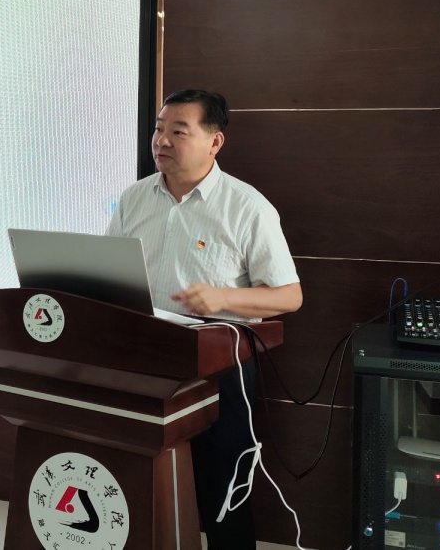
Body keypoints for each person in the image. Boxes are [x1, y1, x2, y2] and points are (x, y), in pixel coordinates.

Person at [107, 89, 302, 550]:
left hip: (219, 370)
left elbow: (290, 296)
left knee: (222, 494)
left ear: (214, 142)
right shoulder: (134, 198)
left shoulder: (247, 207)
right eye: (159, 129)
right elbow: (110, 271)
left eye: (178, 131)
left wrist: (222, 298)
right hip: (144, 361)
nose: (161, 140)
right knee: (140, 482)